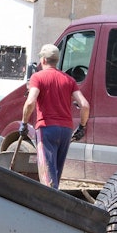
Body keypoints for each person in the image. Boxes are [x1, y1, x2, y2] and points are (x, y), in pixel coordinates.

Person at [21, 44, 90, 189]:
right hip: (65, 130)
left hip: (46, 129)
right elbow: (84, 105)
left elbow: (30, 102)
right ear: (56, 61)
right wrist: (82, 126)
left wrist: (24, 123)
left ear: (44, 60)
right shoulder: (69, 80)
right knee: (56, 173)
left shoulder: (37, 77)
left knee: (47, 175)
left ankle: (47, 206)